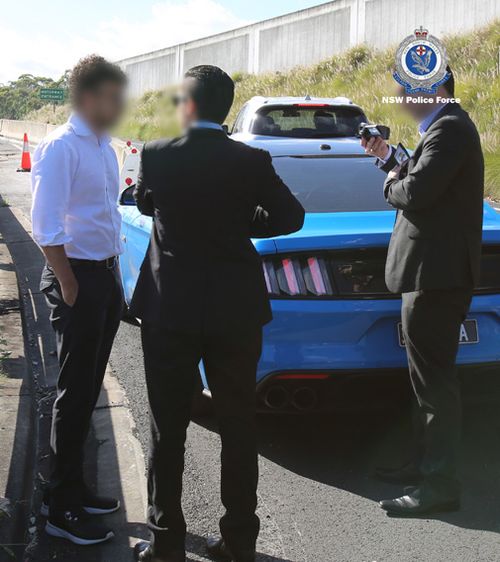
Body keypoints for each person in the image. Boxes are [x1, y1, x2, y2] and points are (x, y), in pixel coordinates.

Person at [131, 65, 304, 562]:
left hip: (170, 310)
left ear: (186, 103)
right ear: (226, 107)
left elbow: (145, 203)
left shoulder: (158, 154)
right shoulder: (251, 159)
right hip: (235, 310)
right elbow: (291, 216)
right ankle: (239, 542)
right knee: (238, 426)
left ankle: (166, 544)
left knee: (168, 429)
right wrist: (240, 222)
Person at [362, 67, 484, 516]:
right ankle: (424, 465)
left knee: (433, 383)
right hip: (432, 274)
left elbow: (418, 190)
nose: (400, 101)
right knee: (425, 379)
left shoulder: (449, 129)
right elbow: (421, 176)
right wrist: (389, 156)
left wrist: (390, 183)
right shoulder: (442, 130)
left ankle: (439, 486)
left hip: (436, 275)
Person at [31, 55, 127, 545]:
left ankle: (76, 485)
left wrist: (112, 281)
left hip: (104, 278)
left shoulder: (104, 147)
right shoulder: (60, 148)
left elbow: (104, 215)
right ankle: (59, 506)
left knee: (89, 388)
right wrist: (69, 285)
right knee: (73, 393)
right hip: (78, 281)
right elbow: (45, 226)